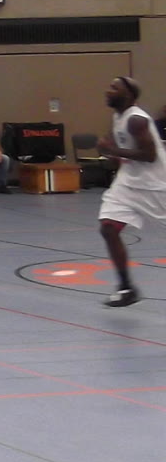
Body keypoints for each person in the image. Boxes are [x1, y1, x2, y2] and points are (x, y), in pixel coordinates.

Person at [97, 76, 166, 308]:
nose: (108, 91)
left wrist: (113, 150)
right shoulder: (118, 116)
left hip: (154, 186)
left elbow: (150, 155)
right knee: (108, 228)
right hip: (127, 184)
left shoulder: (137, 120)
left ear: (128, 94)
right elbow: (120, 150)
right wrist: (110, 153)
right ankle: (127, 288)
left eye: (113, 88)